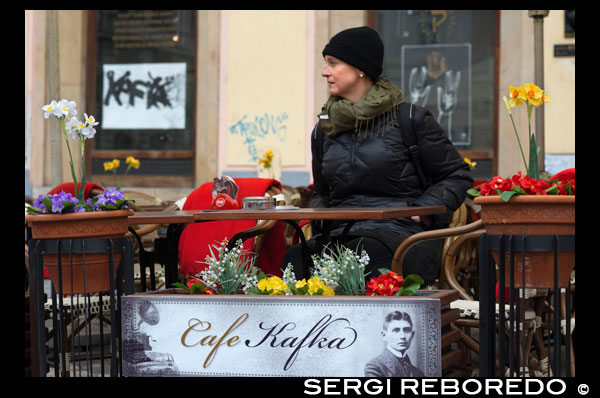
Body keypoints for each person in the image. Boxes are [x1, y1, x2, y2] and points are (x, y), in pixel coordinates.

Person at [282, 26, 473, 284]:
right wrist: (321, 225)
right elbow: (323, 193)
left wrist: (423, 209)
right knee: (295, 261)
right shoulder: (324, 128)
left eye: (333, 63)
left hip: (402, 235)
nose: (324, 72)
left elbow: (457, 174)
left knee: (364, 259)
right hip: (340, 233)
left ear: (360, 68)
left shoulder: (409, 118)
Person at [364, 311, 424, 377]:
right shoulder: (374, 367)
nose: (402, 336)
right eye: (396, 330)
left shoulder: (418, 373)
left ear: (412, 335)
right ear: (384, 335)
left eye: (406, 330)